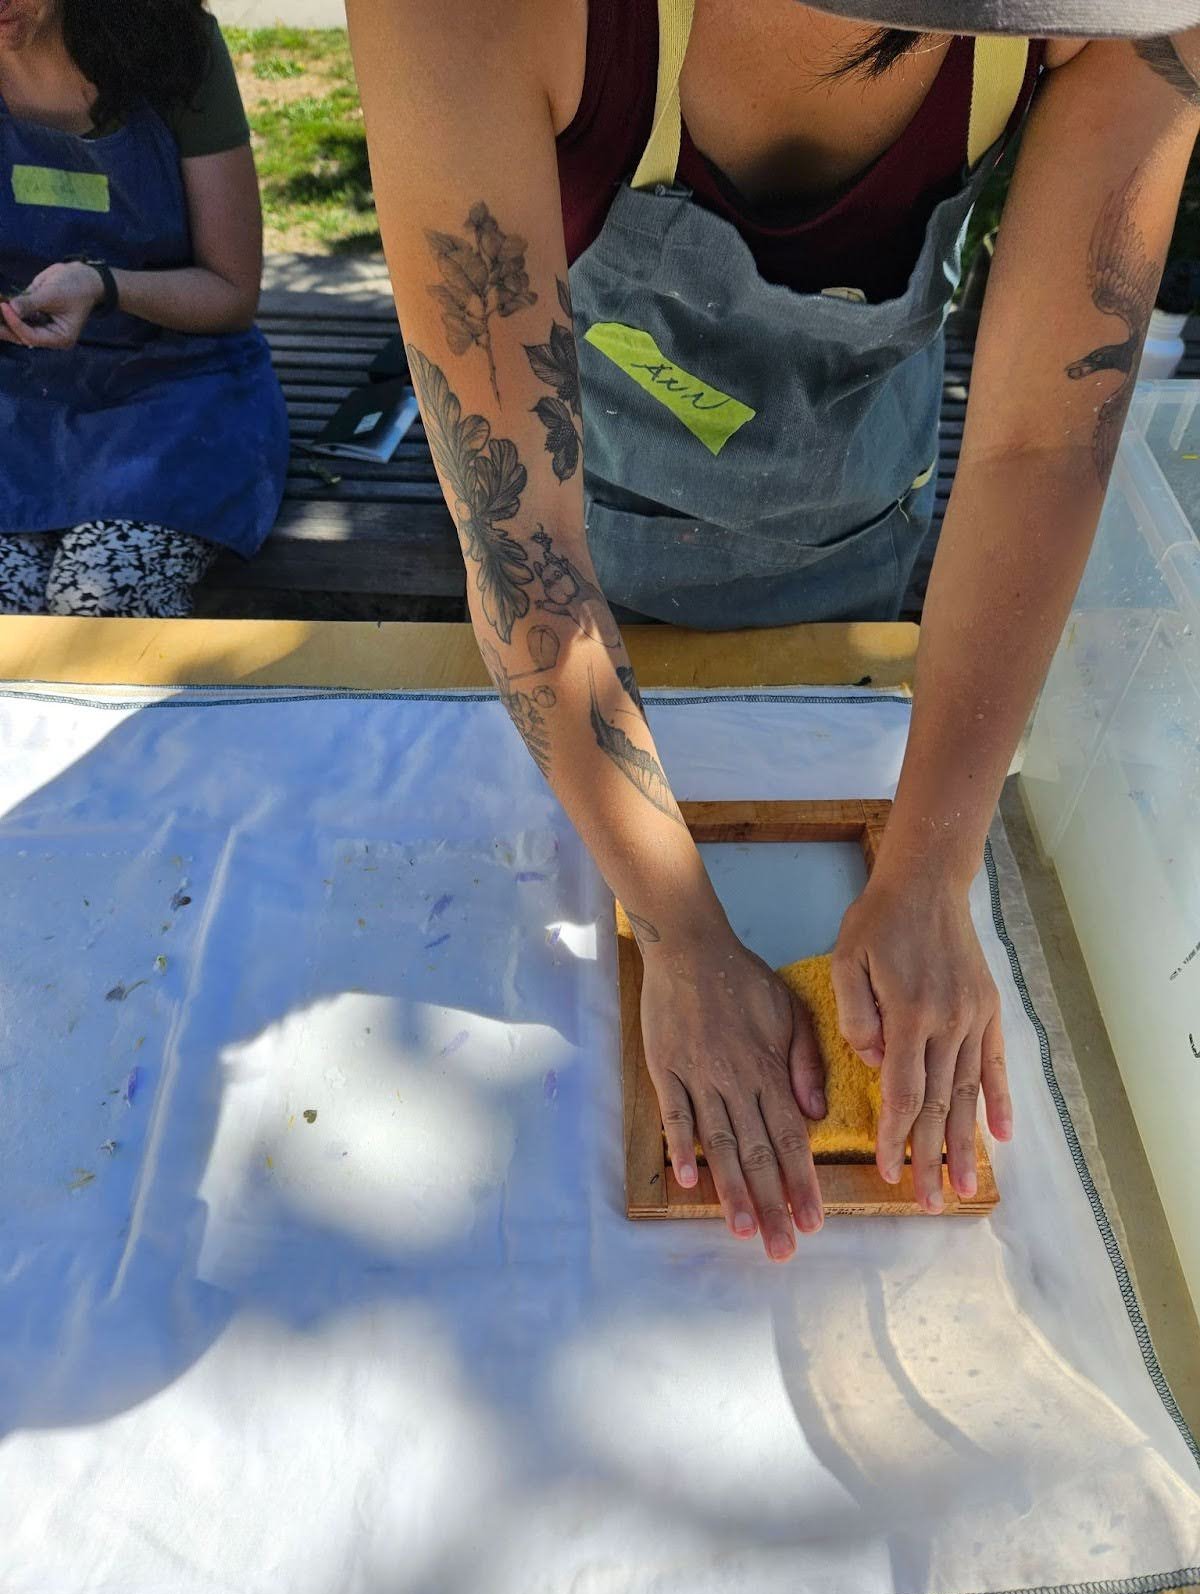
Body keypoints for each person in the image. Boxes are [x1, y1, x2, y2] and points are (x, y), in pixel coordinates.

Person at [346, 0, 1200, 1259]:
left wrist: (929, 871)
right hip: (597, 552)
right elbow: (524, 545)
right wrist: (677, 933)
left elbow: (1035, 448)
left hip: (865, 552)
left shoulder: (1131, 26)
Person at [0, 0, 288, 618]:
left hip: (177, 393)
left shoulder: (175, 45)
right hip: (17, 396)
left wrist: (103, 285)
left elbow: (232, 292)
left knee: (100, 599)